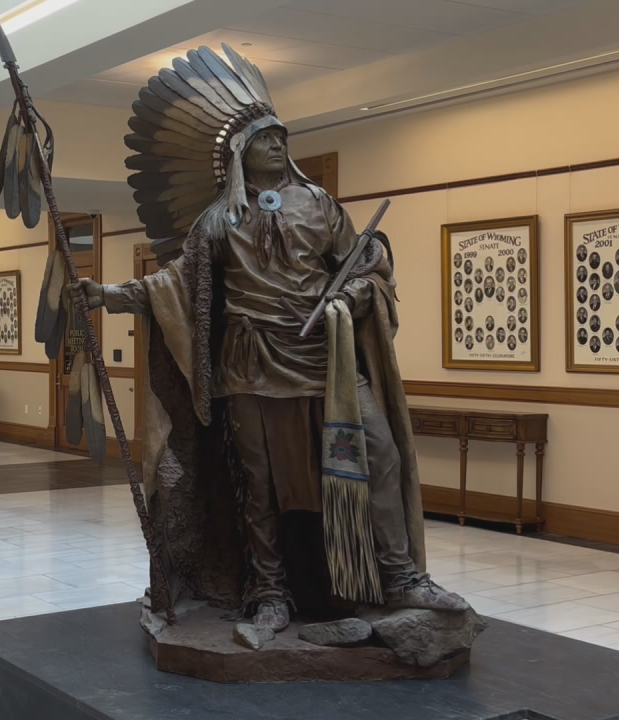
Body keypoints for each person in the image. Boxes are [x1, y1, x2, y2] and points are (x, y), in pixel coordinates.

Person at [76, 46, 464, 633]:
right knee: (259, 486)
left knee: (374, 456)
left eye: (282, 136)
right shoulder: (217, 221)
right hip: (250, 364)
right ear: (239, 152)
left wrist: (353, 295)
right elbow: (175, 286)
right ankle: (269, 592)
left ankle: (400, 575)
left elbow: (364, 267)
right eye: (264, 139)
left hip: (326, 359)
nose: (278, 145)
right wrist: (107, 296)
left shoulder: (321, 204)